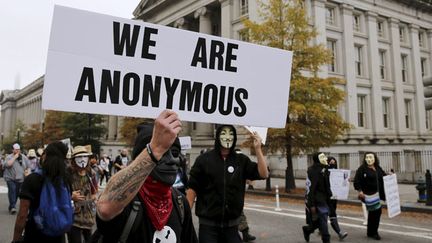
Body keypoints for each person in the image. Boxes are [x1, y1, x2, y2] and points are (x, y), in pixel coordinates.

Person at [96, 110, 198, 243]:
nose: (173, 160)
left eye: (175, 152)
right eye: (163, 152)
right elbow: (105, 208)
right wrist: (155, 149)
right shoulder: (127, 201)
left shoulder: (180, 202)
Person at [186, 125, 268, 243]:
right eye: (224, 134)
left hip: (232, 227)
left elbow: (263, 174)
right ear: (218, 137)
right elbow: (192, 187)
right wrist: (185, 217)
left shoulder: (241, 160)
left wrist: (258, 149)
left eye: (231, 134)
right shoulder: (204, 160)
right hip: (208, 227)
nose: (227, 137)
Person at [12, 141, 69, 243]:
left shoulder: (32, 179)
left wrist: (15, 239)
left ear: (45, 156)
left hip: (35, 233)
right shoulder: (65, 180)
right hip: (58, 234)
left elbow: (22, 215)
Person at [67, 145, 98, 243]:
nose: (82, 159)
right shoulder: (68, 174)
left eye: (85, 157)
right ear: (73, 159)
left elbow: (94, 192)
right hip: (73, 217)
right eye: (79, 157)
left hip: (88, 217)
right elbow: (61, 193)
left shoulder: (91, 173)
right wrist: (70, 196)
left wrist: (93, 199)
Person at [354, 152, 387, 241]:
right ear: (364, 159)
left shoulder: (378, 168)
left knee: (374, 213)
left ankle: (370, 231)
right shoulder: (362, 169)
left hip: (378, 194)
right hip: (368, 194)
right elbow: (357, 181)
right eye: (367, 157)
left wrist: (390, 175)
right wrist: (360, 191)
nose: (369, 159)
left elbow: (384, 176)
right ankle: (374, 232)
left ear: (375, 158)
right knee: (376, 212)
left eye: (371, 157)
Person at [302, 152, 332, 243]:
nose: (325, 158)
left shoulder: (325, 169)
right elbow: (311, 189)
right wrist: (311, 205)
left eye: (324, 156)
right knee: (323, 219)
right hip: (317, 200)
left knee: (318, 221)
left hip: (325, 199)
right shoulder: (314, 171)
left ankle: (308, 230)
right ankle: (326, 239)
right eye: (322, 157)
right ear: (317, 159)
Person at [2, 143, 30, 214]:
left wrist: (28, 172)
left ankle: (11, 205)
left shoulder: (24, 157)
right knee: (12, 191)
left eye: (18, 149)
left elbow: (28, 166)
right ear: (13, 150)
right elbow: (7, 165)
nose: (17, 151)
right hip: (10, 178)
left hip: (20, 179)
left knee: (17, 193)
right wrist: (14, 157)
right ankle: (13, 207)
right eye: (16, 149)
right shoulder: (9, 157)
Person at [327, 156, 348, 240]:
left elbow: (342, 183)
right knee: (331, 214)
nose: (332, 164)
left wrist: (346, 181)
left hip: (334, 197)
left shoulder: (338, 173)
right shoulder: (325, 172)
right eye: (330, 163)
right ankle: (339, 233)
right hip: (326, 197)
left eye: (334, 163)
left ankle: (315, 229)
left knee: (329, 214)